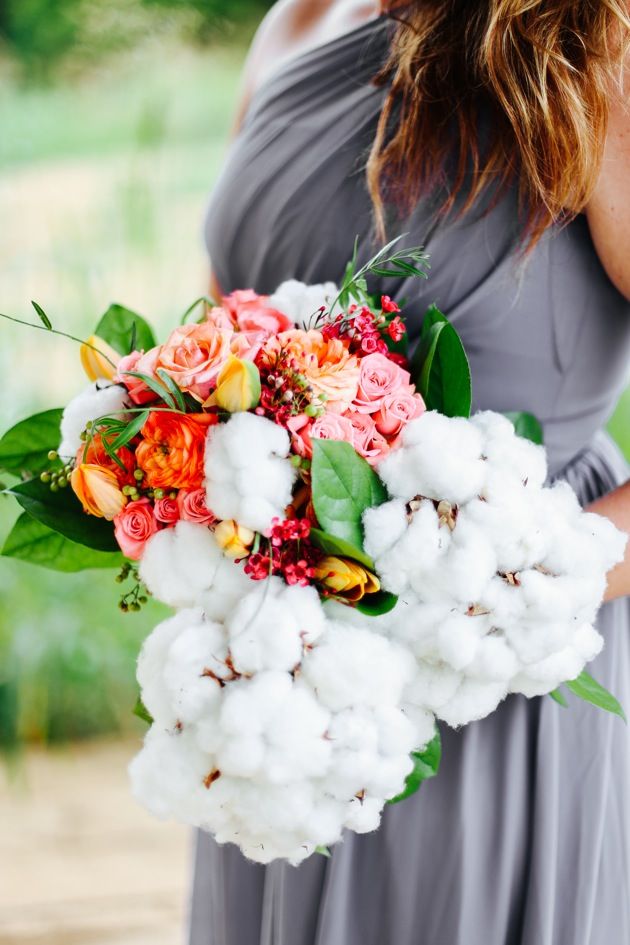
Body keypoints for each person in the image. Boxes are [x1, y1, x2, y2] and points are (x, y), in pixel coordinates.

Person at [191, 2, 630, 942]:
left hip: (486, 674)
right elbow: (227, 318)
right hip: (273, 669)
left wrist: (514, 591)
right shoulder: (297, 21)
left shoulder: (593, 47)